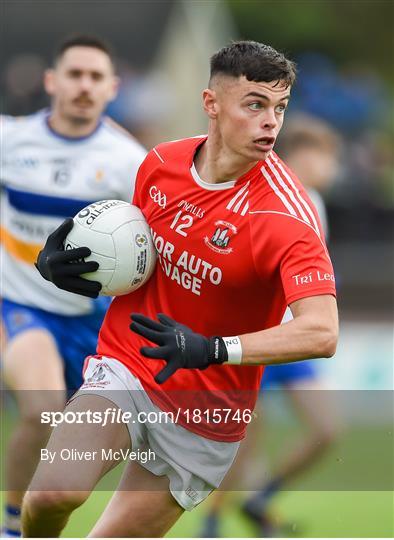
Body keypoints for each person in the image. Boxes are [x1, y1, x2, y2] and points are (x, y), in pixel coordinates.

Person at [24, 41, 338, 538]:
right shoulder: (160, 165)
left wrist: (213, 349)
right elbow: (134, 259)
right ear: (211, 104)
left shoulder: (288, 217)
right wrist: (63, 267)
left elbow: (322, 332)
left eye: (279, 108)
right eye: (254, 104)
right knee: (50, 496)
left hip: (206, 412)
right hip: (128, 365)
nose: (270, 122)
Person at [0, 34, 146, 537]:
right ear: (52, 81)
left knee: (108, 445)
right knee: (41, 412)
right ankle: (14, 525)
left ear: (112, 88)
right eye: (75, 74)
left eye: (95, 77)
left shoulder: (130, 161)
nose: (84, 86)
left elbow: (148, 249)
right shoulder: (9, 140)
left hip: (95, 321)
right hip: (21, 307)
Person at [199, 113, 342, 538]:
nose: (329, 166)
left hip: (294, 340)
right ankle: (212, 522)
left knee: (327, 429)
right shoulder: (271, 198)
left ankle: (260, 500)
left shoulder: (311, 202)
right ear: (298, 155)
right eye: (323, 156)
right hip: (256, 338)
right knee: (244, 442)